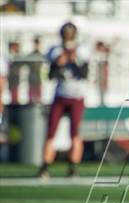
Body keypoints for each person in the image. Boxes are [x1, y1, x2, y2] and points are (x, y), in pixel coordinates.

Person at [38, 22, 89, 178]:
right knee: (51, 132)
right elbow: (50, 75)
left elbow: (85, 73)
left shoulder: (82, 50)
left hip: (76, 96)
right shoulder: (55, 50)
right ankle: (45, 166)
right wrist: (57, 64)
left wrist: (73, 60)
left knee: (75, 133)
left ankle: (73, 167)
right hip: (60, 94)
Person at [27, 37, 44, 104]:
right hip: (32, 76)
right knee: (31, 94)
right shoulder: (31, 55)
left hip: (39, 76)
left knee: (38, 93)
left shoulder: (41, 55)